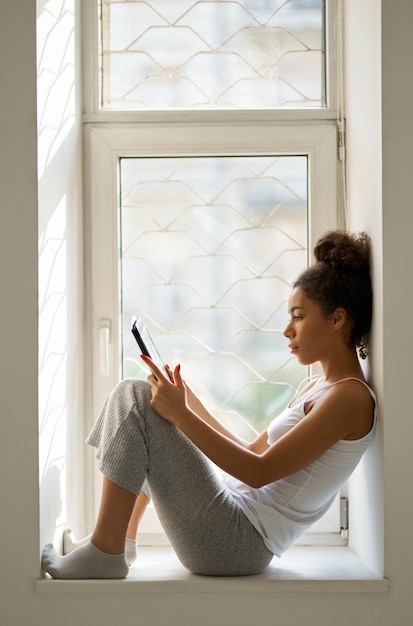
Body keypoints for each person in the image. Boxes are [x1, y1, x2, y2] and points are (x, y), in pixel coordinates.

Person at [42, 230, 376, 579]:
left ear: (337, 319)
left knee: (136, 397)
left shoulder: (350, 399)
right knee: (151, 401)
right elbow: (250, 450)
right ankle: (119, 540)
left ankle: (106, 551)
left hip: (237, 543)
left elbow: (257, 472)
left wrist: (182, 414)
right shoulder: (317, 387)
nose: (287, 330)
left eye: (298, 316)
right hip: (230, 523)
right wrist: (190, 404)